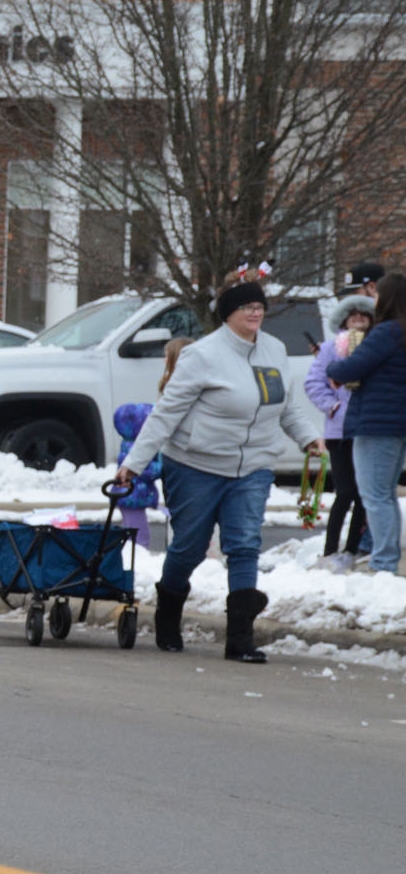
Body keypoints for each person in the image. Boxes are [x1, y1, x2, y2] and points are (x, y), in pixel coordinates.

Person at [116, 270, 324, 661]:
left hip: (253, 466)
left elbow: (286, 406)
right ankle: (168, 612)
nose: (255, 313)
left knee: (244, 545)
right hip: (195, 464)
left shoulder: (274, 350)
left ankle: (240, 639)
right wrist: (134, 464)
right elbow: (166, 413)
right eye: (246, 307)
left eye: (259, 306)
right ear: (228, 313)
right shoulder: (202, 355)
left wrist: (308, 437)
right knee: (189, 548)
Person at [326, 273, 406, 576]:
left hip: (377, 423)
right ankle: (386, 557)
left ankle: (383, 561)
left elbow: (352, 368)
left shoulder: (387, 332)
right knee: (385, 494)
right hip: (396, 423)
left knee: (375, 495)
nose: (373, 300)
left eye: (377, 295)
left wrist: (333, 365)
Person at [304, 294, 375, 570]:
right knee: (344, 492)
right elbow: (314, 383)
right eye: (352, 315)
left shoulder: (378, 346)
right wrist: (332, 406)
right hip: (339, 430)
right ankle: (329, 550)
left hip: (368, 428)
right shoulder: (330, 348)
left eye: (363, 315)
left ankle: (351, 550)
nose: (358, 320)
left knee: (363, 495)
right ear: (344, 320)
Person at [111, 404, 161, 548]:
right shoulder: (136, 448)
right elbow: (145, 470)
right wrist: (162, 466)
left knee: (131, 532)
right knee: (139, 537)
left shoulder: (129, 444)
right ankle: (137, 556)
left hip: (128, 496)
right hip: (132, 496)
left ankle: (129, 553)